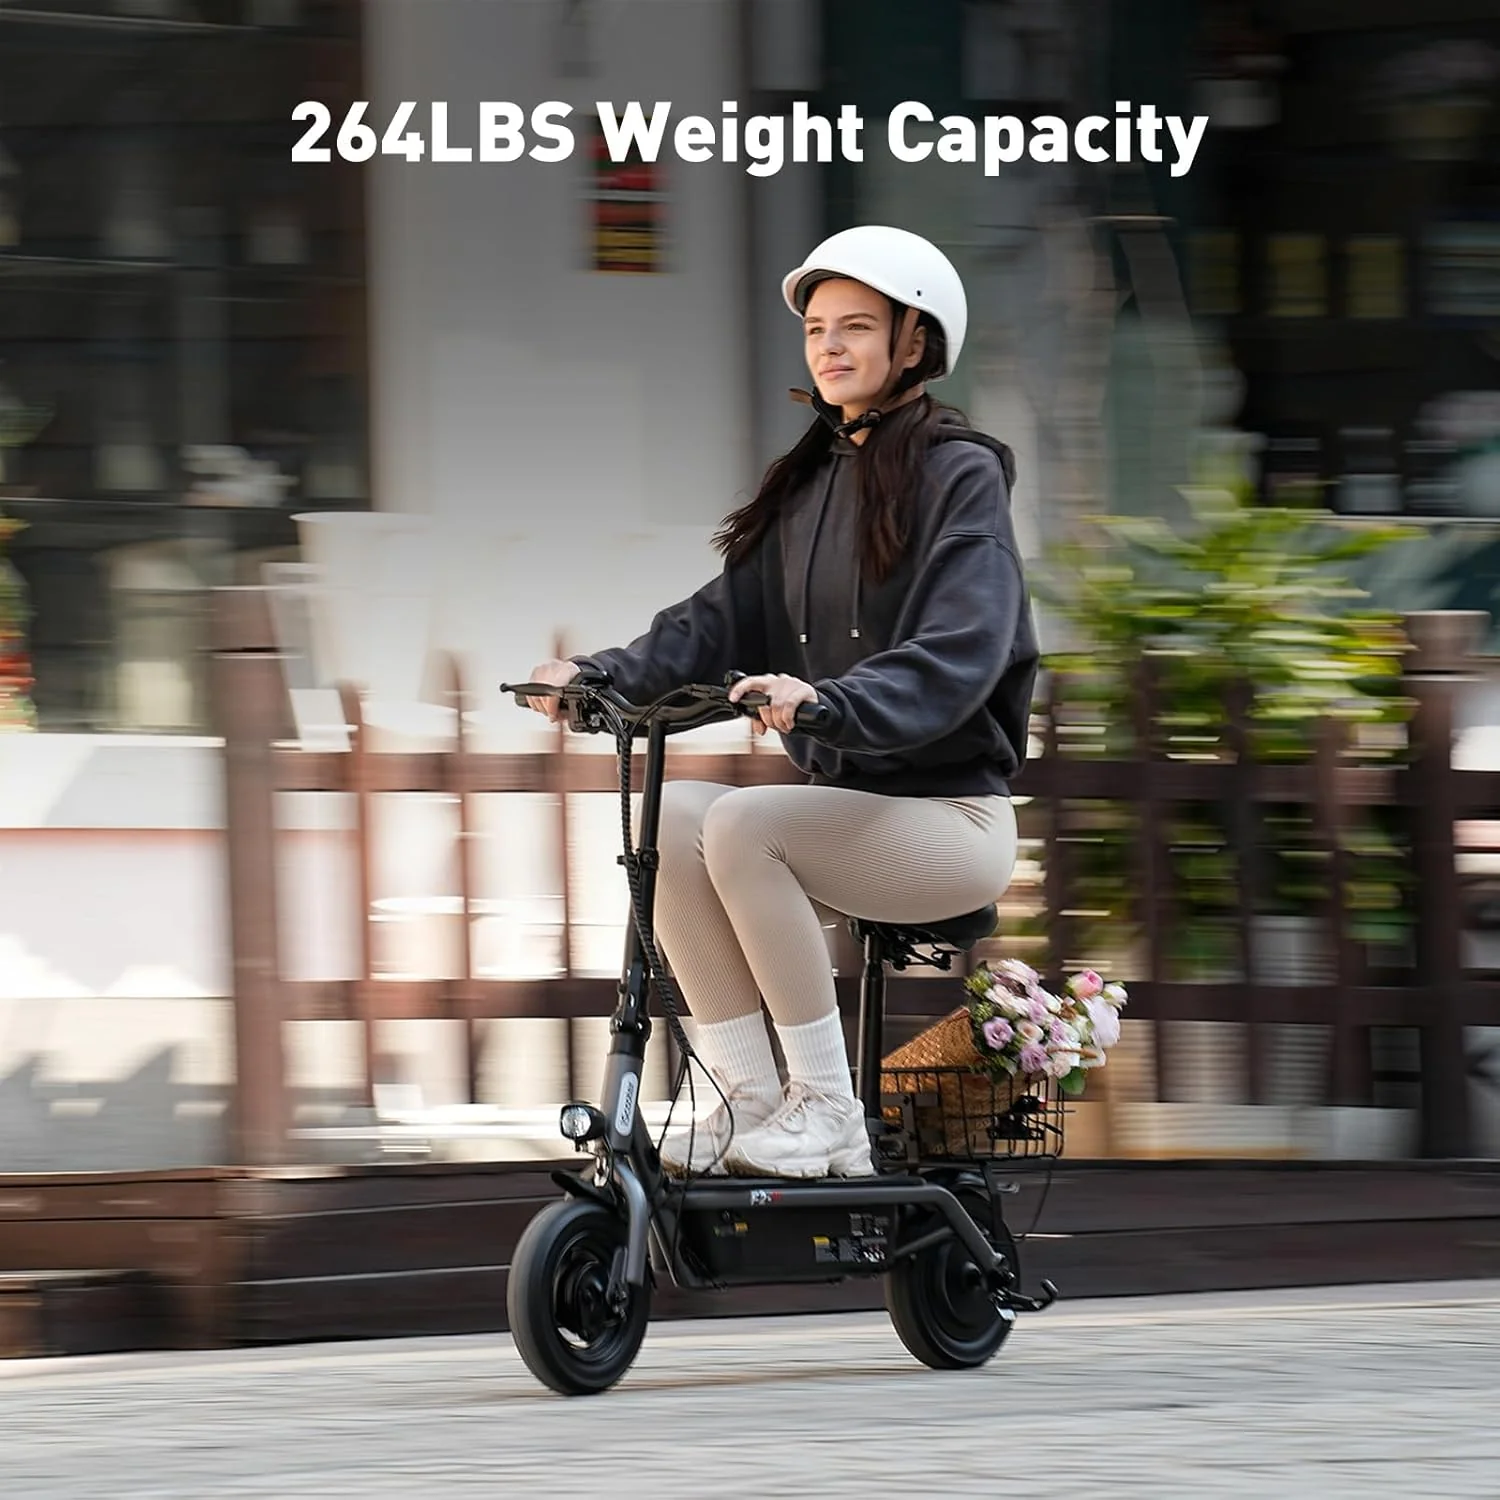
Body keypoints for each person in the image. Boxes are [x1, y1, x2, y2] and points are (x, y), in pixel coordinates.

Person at [525, 225, 1039, 1180]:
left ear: (915, 341)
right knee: (670, 816)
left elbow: (961, 647)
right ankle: (748, 1099)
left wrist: (831, 703)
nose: (829, 347)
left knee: (744, 823)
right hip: (847, 810)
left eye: (856, 326)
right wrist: (597, 677)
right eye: (815, 330)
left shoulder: (960, 473)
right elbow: (720, 621)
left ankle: (829, 1110)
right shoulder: (811, 484)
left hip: (952, 819)